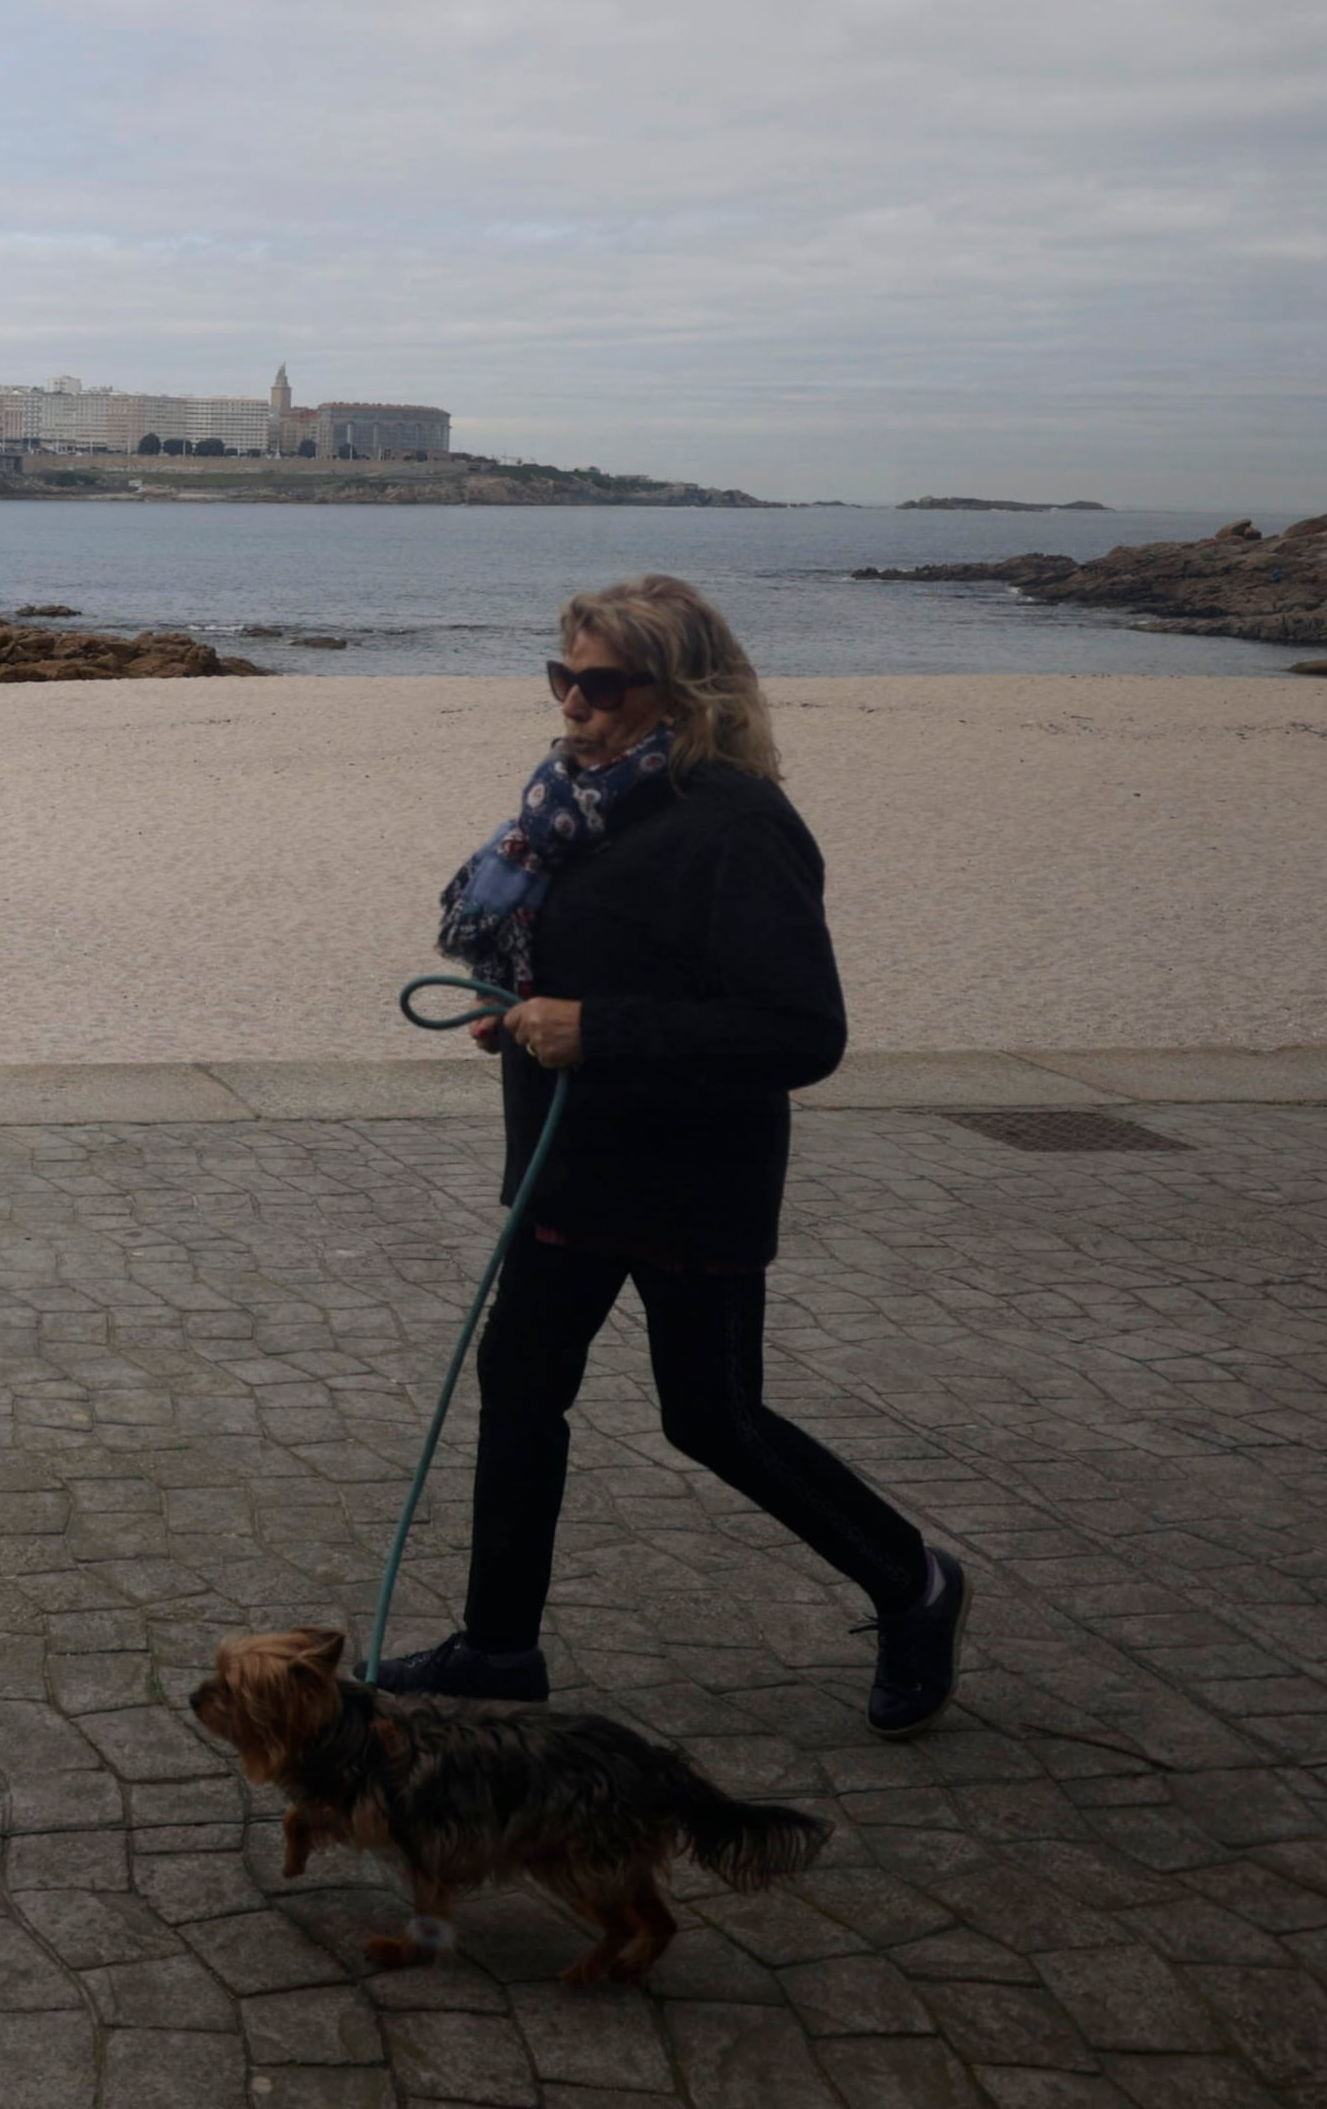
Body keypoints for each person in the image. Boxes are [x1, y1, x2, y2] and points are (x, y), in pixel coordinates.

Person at [380, 575, 968, 1734]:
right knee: (517, 1394)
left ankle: (914, 1582)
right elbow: (582, 965)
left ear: (680, 690)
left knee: (711, 1418)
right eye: (561, 677)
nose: (571, 706)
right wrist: (525, 1014)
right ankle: (498, 1650)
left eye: (599, 685)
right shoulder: (567, 804)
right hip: (567, 1163)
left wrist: (595, 1025)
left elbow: (802, 1033)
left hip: (689, 1176)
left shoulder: (739, 824)